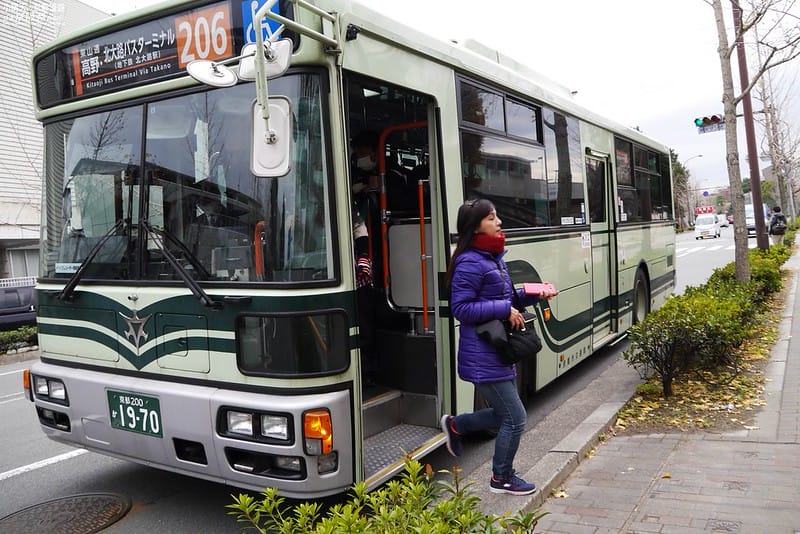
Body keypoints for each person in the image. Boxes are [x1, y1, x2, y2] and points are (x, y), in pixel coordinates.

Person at [440, 198, 556, 496]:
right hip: (483, 353)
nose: (499, 222)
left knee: (505, 414)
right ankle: (501, 477)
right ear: (475, 225)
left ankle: (456, 425)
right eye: (492, 218)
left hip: (497, 350)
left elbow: (505, 298)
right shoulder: (469, 261)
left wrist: (533, 293)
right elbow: (461, 308)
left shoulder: (492, 257)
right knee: (515, 418)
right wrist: (505, 309)